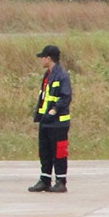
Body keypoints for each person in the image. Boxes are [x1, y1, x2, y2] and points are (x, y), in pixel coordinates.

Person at [30, 44, 72, 193]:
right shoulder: (48, 74)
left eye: (42, 57)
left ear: (49, 58)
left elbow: (65, 96)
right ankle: (45, 179)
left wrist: (54, 110)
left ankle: (61, 181)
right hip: (45, 121)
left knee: (59, 152)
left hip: (58, 123)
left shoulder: (62, 75)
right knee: (45, 151)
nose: (41, 60)